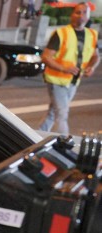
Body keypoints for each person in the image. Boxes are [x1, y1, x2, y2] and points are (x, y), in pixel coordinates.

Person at [39, 2, 99, 135]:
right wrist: (64, 68)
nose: (81, 15)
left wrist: (91, 67)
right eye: (78, 12)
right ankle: (64, 142)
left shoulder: (92, 34)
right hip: (56, 80)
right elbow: (46, 57)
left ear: (89, 16)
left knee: (53, 113)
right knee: (61, 114)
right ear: (72, 15)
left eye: (84, 13)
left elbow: (95, 56)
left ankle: (36, 135)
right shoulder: (61, 33)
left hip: (74, 81)